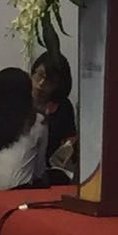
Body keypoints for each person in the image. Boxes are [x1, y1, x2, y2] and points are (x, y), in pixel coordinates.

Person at [30, 51, 77, 182]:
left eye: (49, 81)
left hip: (52, 170)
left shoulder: (63, 106)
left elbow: (69, 138)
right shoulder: (21, 98)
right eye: (39, 75)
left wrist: (70, 145)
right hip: (23, 169)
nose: (41, 83)